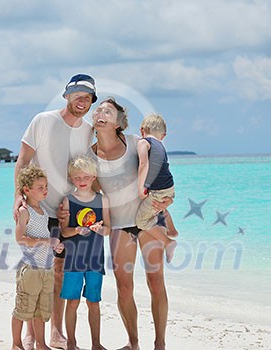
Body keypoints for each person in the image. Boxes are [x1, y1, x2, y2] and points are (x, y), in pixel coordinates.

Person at [13, 74, 98, 350]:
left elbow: (87, 172)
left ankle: (55, 331)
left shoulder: (88, 131)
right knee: (34, 268)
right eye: (78, 96)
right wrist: (18, 196)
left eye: (88, 98)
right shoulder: (43, 120)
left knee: (58, 272)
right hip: (37, 208)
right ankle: (29, 331)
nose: (82, 102)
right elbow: (23, 160)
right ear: (67, 96)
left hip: (68, 213)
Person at [88, 97, 173, 350]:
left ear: (119, 122)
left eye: (107, 111)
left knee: (155, 282)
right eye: (98, 110)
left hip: (150, 221)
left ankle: (160, 344)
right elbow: (91, 192)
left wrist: (167, 202)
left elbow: (162, 175)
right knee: (124, 288)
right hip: (118, 226)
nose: (100, 113)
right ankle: (133, 344)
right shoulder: (89, 155)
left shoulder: (138, 143)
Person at [59, 155, 110, 350]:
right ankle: (71, 343)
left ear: (94, 177)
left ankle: (96, 344)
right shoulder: (68, 201)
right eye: (77, 177)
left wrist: (100, 229)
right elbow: (64, 231)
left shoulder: (102, 200)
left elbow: (109, 229)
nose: (82, 181)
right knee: (72, 302)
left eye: (86, 177)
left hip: (95, 260)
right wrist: (76, 230)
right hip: (73, 261)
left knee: (94, 302)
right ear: (72, 178)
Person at [11, 164, 64, 350]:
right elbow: (20, 238)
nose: (45, 191)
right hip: (31, 269)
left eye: (46, 187)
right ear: (27, 190)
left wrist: (54, 246)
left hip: (46, 269)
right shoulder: (25, 211)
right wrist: (45, 241)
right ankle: (16, 344)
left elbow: (45, 239)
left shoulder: (44, 212)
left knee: (41, 311)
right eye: (40, 188)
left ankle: (41, 344)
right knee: (23, 309)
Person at [136, 113, 178, 263]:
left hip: (158, 190)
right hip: (169, 187)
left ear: (142, 130)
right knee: (159, 207)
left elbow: (143, 164)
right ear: (163, 135)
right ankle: (171, 230)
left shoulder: (143, 142)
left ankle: (168, 242)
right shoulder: (161, 146)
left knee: (142, 221)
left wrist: (141, 188)